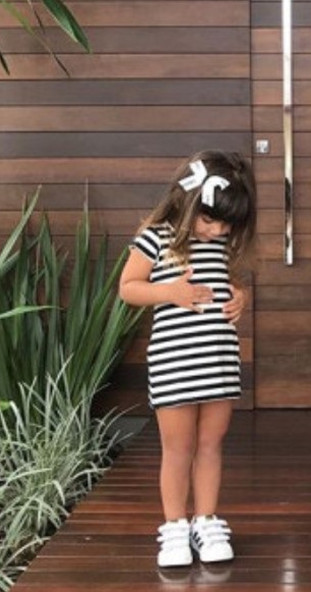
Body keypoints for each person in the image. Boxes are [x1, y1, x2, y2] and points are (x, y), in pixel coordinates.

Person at [118, 150, 256, 569]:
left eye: (226, 224)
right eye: (210, 220)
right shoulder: (156, 237)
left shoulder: (221, 243)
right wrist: (169, 292)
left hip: (218, 362)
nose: (218, 230)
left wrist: (240, 297)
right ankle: (176, 526)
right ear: (188, 201)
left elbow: (230, 283)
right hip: (175, 364)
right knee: (177, 448)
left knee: (211, 445)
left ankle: (206, 521)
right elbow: (128, 287)